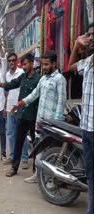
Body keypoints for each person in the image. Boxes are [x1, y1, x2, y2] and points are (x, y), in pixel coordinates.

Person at [14, 51, 67, 183]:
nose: (44, 67)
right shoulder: (43, 79)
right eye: (43, 64)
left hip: (52, 124)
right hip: (40, 122)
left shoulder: (60, 79)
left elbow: (61, 102)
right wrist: (20, 103)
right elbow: (34, 95)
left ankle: (51, 180)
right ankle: (37, 176)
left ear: (54, 64)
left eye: (47, 64)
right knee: (39, 150)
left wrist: (56, 123)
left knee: (51, 153)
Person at [0, 53, 41, 177]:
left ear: (31, 63)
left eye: (25, 64)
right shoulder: (23, 77)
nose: (23, 67)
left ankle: (35, 171)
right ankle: (14, 168)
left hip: (33, 116)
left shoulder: (38, 79)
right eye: (23, 64)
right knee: (18, 142)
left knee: (36, 144)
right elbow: (12, 84)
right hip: (22, 115)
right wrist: (1, 84)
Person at [69, 23, 94, 214]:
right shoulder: (88, 62)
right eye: (89, 35)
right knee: (91, 173)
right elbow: (70, 67)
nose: (91, 38)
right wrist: (77, 45)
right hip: (87, 127)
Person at [0, 42, 29, 168]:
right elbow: (7, 93)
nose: (11, 62)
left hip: (20, 109)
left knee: (22, 134)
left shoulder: (22, 73)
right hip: (10, 108)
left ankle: (25, 158)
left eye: (13, 60)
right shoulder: (7, 75)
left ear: (17, 62)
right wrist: (5, 107)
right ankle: (12, 157)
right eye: (9, 60)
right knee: (10, 133)